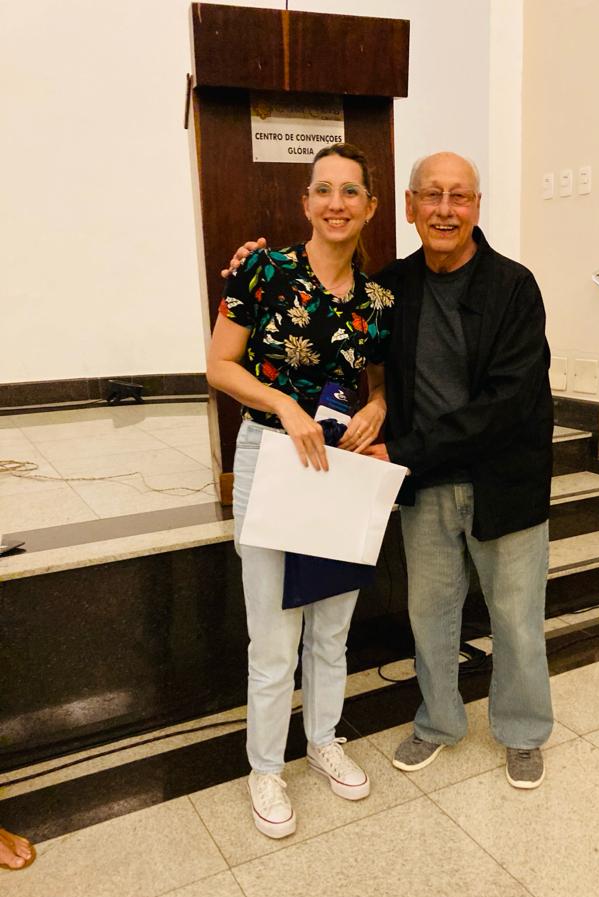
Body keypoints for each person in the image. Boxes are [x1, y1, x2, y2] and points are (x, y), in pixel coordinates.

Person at [225, 150, 553, 790]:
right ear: (407, 207)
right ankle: (438, 723)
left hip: (500, 480)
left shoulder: (514, 286)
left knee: (516, 619)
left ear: (477, 207)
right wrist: (248, 266)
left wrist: (399, 442)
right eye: (431, 195)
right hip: (423, 483)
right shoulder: (390, 289)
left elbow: (510, 402)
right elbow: (369, 370)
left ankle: (522, 731)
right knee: (430, 616)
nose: (444, 209)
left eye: (459, 196)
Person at [207, 143, 394, 839]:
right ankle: (266, 767)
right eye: (323, 190)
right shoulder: (264, 270)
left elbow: (380, 381)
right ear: (305, 203)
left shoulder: (379, 301)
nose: (336, 203)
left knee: (332, 629)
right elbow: (220, 365)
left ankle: (322, 741)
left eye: (350, 191)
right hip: (271, 458)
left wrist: (378, 407)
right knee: (274, 637)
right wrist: (284, 406)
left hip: (340, 465)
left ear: (370, 206)